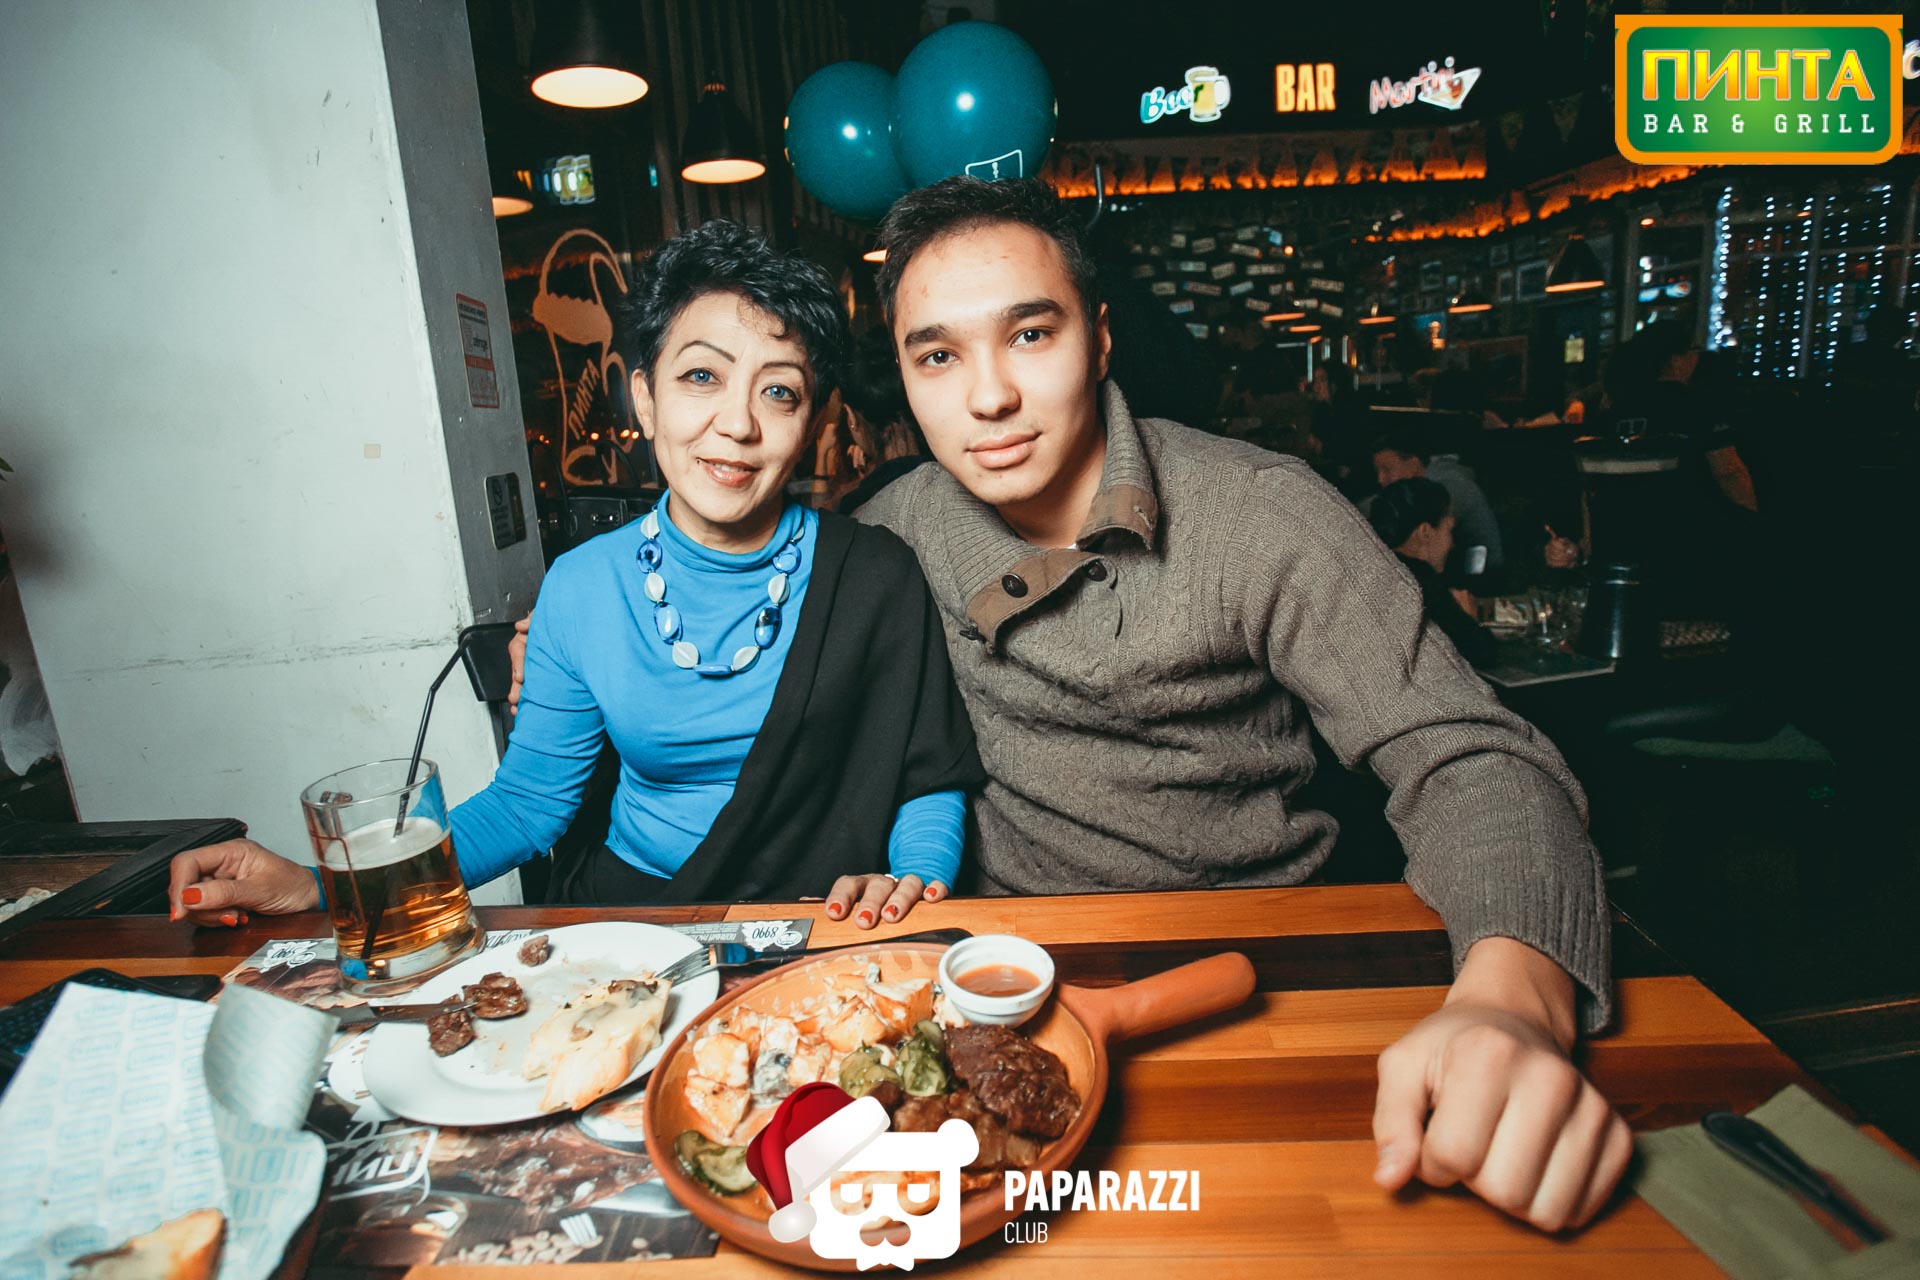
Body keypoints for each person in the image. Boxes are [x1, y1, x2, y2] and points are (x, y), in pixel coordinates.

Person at [853, 177, 1627, 1233]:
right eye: (937, 355)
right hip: (1008, 993)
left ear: (1100, 336)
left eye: (1030, 334)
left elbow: (1468, 754)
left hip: (1262, 973)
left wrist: (1513, 998)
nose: (987, 397)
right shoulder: (890, 534)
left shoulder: (1261, 513)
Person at [168, 220, 983, 928]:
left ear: (809, 423)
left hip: (816, 918)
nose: (736, 423)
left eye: (779, 392)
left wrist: (912, 884)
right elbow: (527, 805)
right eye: (701, 377)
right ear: (646, 399)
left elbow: (927, 779)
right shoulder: (583, 587)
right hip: (638, 923)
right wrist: (324, 888)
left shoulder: (875, 578)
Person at [1366, 479, 1496, 668]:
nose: (1452, 544)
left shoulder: (1378, 569)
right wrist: (1469, 617)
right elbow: (1482, 653)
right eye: (1448, 529)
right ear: (1425, 532)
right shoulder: (1421, 581)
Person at [1371, 422, 1506, 584]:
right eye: (1378, 472)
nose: (1380, 479)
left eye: (1387, 470)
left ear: (1413, 464)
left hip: (1479, 576)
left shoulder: (1447, 487)